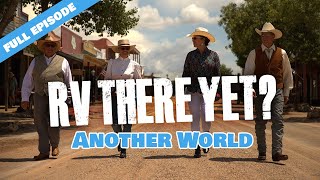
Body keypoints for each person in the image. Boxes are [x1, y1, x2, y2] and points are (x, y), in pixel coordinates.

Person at [244, 22, 293, 161]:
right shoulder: (254, 53)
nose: (265, 38)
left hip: (277, 90)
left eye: (268, 36)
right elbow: (247, 73)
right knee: (260, 121)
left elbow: (287, 74)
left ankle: (277, 152)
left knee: (278, 119)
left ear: (273, 37)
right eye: (263, 36)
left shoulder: (282, 53)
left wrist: (286, 92)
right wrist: (250, 88)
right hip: (260, 91)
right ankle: (262, 152)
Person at [21, 35, 72, 161]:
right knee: (40, 123)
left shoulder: (63, 61)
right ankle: (43, 151)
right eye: (47, 45)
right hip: (39, 95)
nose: (49, 47)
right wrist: (25, 98)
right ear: (43, 48)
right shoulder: (35, 61)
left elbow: (69, 81)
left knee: (55, 122)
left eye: (52, 45)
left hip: (58, 96)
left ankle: (55, 145)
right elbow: (28, 80)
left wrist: (69, 98)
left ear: (56, 48)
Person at [182, 27, 221, 158]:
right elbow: (185, 73)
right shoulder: (190, 55)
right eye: (193, 38)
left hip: (208, 91)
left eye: (195, 38)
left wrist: (218, 92)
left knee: (206, 116)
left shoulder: (214, 56)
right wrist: (182, 90)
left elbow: (217, 74)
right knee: (195, 117)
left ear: (203, 40)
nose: (193, 40)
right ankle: (196, 146)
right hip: (193, 90)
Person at [103, 39, 142, 158]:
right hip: (114, 95)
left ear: (129, 50)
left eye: (126, 48)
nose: (124, 50)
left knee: (127, 123)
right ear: (118, 50)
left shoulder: (135, 65)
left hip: (129, 95)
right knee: (115, 122)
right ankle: (120, 139)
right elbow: (107, 79)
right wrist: (110, 92)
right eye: (122, 48)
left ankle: (123, 148)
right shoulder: (111, 63)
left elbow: (138, 82)